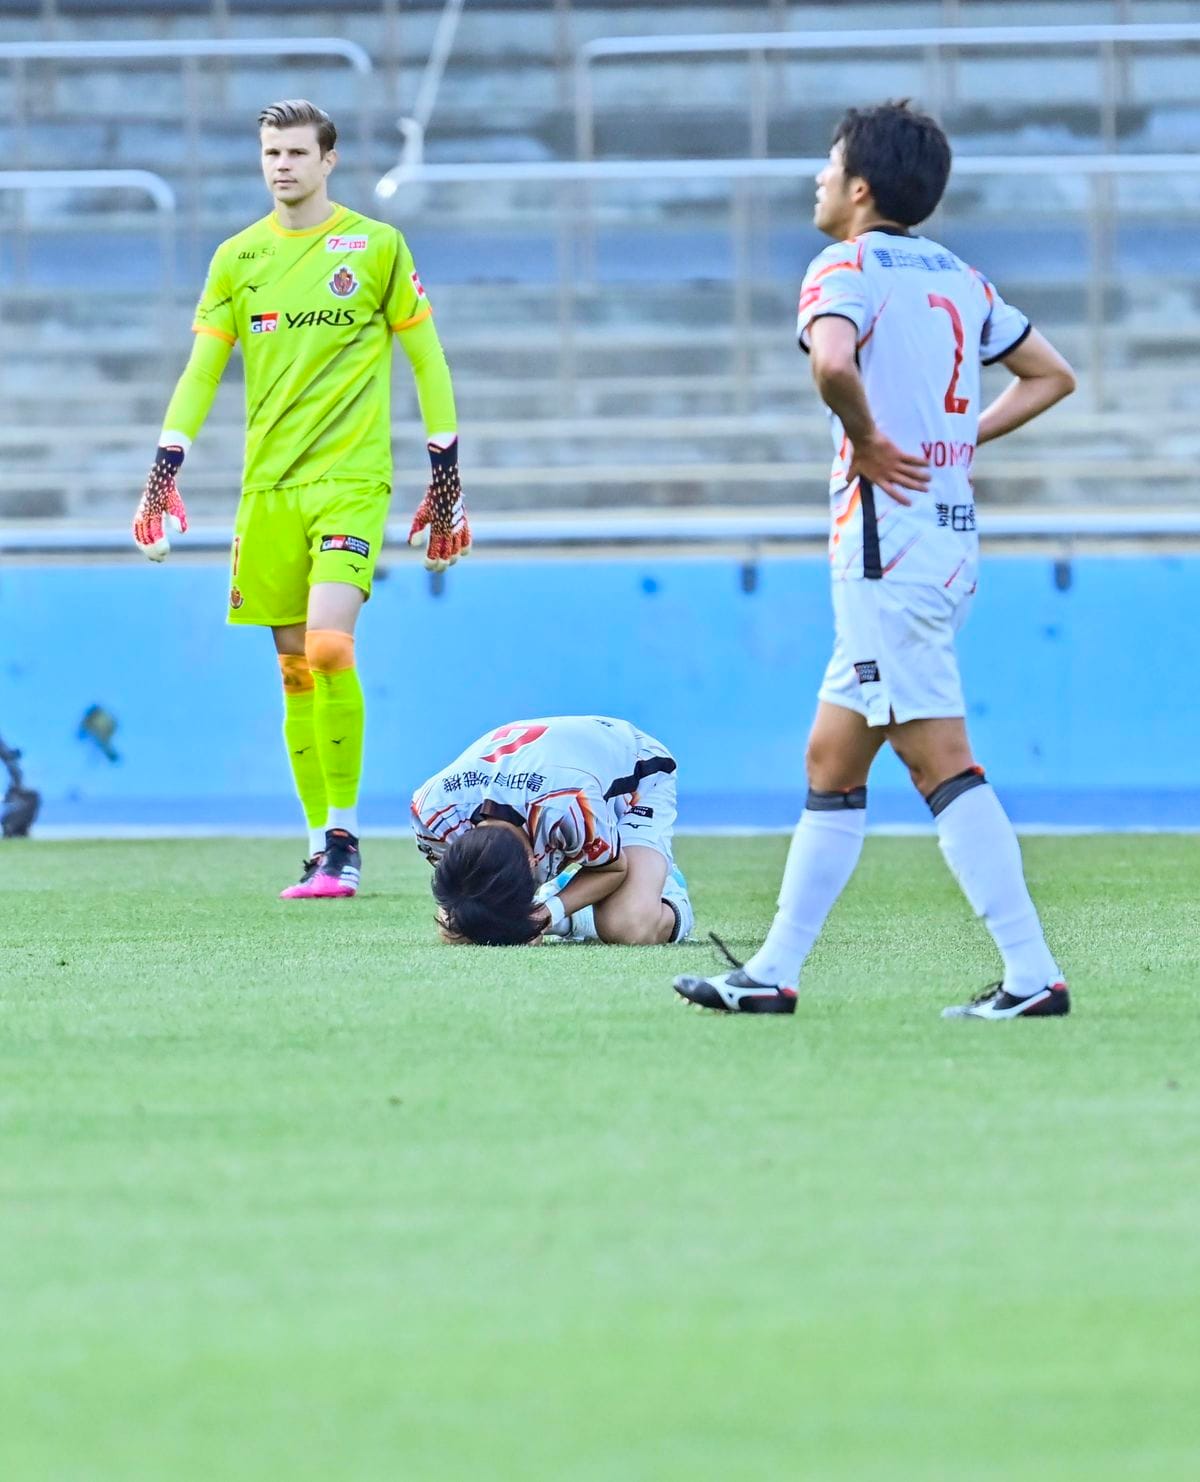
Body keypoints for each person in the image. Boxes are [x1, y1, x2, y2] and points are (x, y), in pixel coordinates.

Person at [674, 101, 1077, 1020]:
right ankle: (774, 971)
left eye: (828, 163)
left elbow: (830, 362)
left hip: (886, 547)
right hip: (942, 539)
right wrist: (960, 435)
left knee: (939, 759)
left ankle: (1032, 973)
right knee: (832, 758)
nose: (817, 178)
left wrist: (864, 435)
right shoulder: (960, 277)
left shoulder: (843, 266)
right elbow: (1053, 374)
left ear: (859, 187)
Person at [132, 99, 469, 899]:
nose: (280, 164)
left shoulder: (376, 248)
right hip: (269, 491)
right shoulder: (236, 258)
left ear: (328, 160)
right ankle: (319, 846)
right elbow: (202, 372)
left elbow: (428, 360)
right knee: (292, 670)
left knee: (328, 648)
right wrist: (163, 467)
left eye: (294, 152)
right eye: (269, 153)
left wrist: (446, 474)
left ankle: (348, 839)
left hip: (351, 485)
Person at [411, 716, 694, 946]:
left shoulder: (570, 806)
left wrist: (546, 913)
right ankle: (574, 910)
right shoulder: (434, 813)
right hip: (563, 780)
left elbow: (613, 869)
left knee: (628, 926)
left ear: (534, 860)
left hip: (638, 774)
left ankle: (664, 887)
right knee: (456, 929)